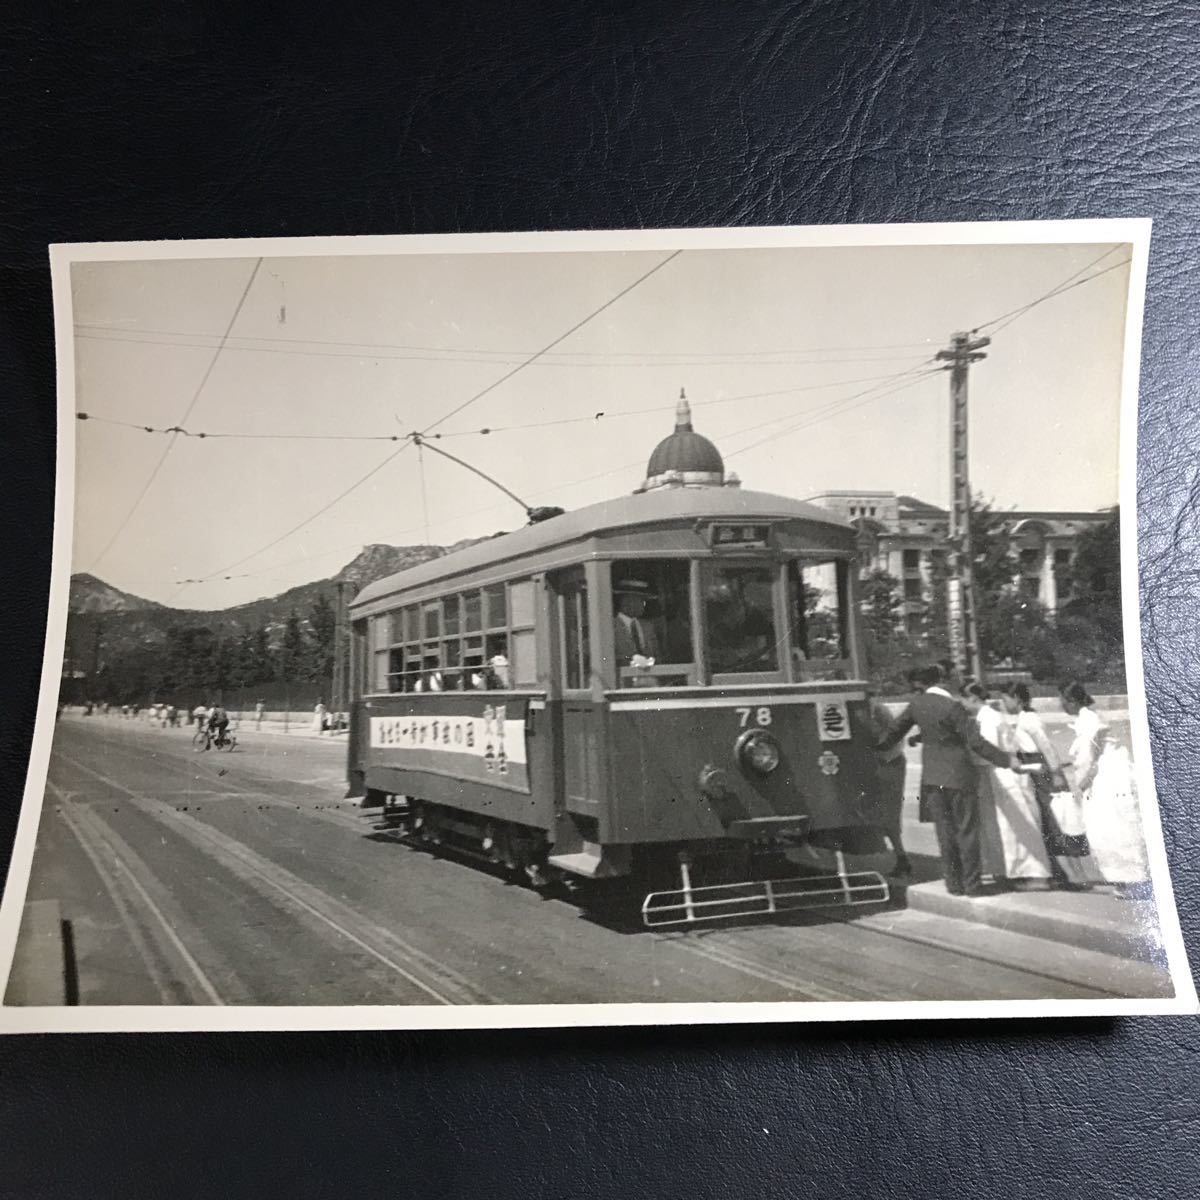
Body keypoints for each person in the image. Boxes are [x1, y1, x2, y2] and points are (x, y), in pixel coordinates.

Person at [878, 664, 1017, 898]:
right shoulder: (953, 707)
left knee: (944, 832)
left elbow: (891, 733)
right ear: (941, 681)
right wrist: (1007, 760)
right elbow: (976, 742)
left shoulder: (917, 705)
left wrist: (870, 748)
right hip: (960, 776)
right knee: (967, 831)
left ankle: (953, 884)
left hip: (932, 779)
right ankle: (972, 885)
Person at [959, 682, 1053, 891]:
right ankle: (1016, 873)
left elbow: (989, 750)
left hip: (1005, 775)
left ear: (973, 698)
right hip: (998, 776)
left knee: (1021, 826)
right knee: (1009, 829)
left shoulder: (990, 719)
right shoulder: (985, 717)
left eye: (963, 700)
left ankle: (1038, 876)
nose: (962, 704)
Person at [1060, 682, 1149, 888]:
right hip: (1109, 772)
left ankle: (1130, 880)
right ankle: (1125, 880)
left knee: (1111, 826)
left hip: (1108, 776)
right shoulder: (1089, 717)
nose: (1062, 706)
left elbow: (1086, 756)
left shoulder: (1088, 720)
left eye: (1063, 701)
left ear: (1071, 702)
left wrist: (1078, 786)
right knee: (1113, 826)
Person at [863, 687, 912, 879]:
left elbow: (895, 739)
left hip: (888, 764)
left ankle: (902, 858)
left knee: (889, 815)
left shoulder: (879, 711)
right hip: (874, 764)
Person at [613, 579, 659, 668]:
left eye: (644, 601)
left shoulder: (648, 627)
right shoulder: (610, 626)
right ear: (625, 602)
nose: (643, 605)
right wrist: (632, 659)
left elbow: (656, 654)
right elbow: (606, 657)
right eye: (639, 600)